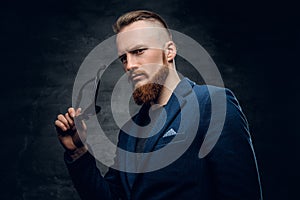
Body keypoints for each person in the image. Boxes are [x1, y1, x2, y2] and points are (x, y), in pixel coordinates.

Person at [54, 10, 263, 200]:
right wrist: (77, 152)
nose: (130, 65)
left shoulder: (212, 104)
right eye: (123, 58)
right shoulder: (128, 132)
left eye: (139, 51)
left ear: (169, 51)